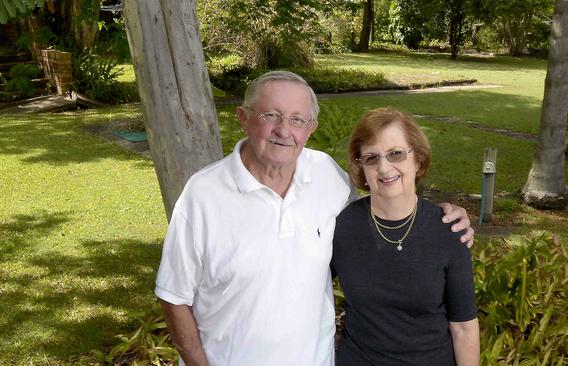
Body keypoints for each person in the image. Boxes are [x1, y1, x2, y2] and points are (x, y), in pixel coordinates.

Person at [155, 71, 475, 366]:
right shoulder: (204, 194)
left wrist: (443, 219)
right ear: (244, 118)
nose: (284, 130)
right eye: (271, 115)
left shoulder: (326, 176)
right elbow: (173, 296)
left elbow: (384, 210)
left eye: (297, 119)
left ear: (311, 129)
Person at [331, 107, 480, 366]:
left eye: (396, 154)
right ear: (362, 167)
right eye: (371, 158)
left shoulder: (448, 230)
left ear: (418, 160)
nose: (384, 168)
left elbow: (464, 327)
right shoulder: (343, 227)